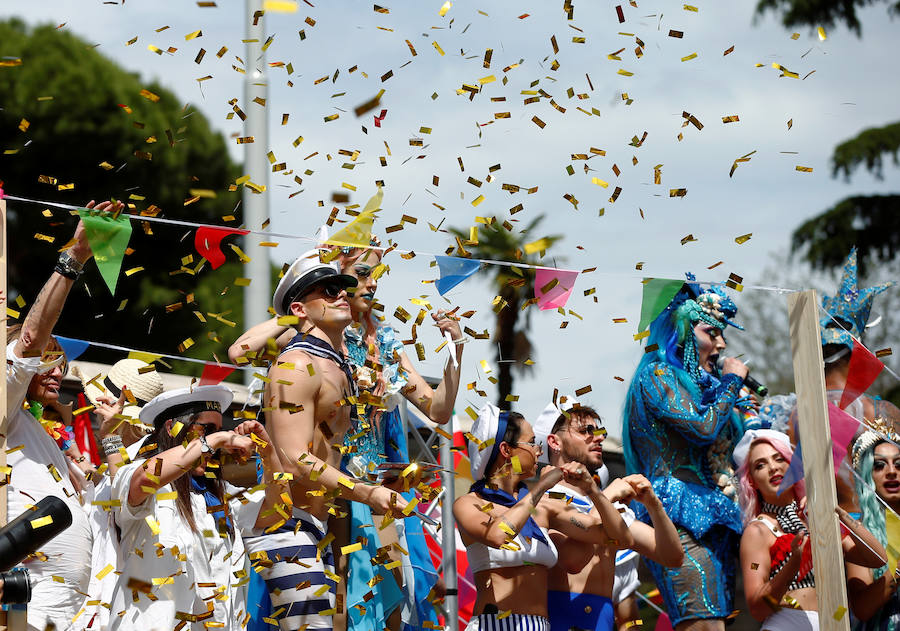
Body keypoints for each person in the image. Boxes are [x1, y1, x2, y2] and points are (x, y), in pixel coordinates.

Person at [231, 238, 462, 631]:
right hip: (329, 490)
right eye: (361, 275)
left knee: (388, 598)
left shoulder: (383, 342)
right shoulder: (305, 344)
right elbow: (241, 351)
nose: (370, 285)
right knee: (339, 602)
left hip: (372, 483)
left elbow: (439, 410)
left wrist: (457, 348)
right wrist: (302, 305)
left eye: (374, 276)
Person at [247, 250, 406, 631]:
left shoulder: (341, 365)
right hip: (288, 528)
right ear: (300, 309)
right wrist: (366, 493)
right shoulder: (297, 363)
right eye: (328, 290)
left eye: (343, 288)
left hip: (318, 527)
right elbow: (294, 457)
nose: (341, 295)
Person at [5, 204, 116, 630]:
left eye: (63, 363)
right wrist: (75, 257)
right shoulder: (6, 405)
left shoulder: (45, 436)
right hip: (30, 600)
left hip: (77, 606)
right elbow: (30, 337)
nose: (58, 370)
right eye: (48, 360)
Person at [622, 280, 753, 631]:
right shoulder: (657, 375)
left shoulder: (702, 386)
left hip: (717, 517)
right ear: (682, 329)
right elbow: (702, 427)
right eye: (712, 331)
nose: (722, 344)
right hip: (675, 517)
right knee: (702, 624)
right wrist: (730, 384)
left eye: (723, 334)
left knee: (718, 623)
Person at [108, 384, 283, 630]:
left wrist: (269, 452)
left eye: (218, 431)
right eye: (205, 430)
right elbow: (145, 479)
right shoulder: (138, 475)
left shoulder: (220, 495)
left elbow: (279, 510)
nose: (215, 444)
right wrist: (218, 438)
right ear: (171, 428)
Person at [453, 403, 632, 631]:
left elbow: (616, 536)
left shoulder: (544, 508)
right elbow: (498, 535)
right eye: (532, 443)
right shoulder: (469, 503)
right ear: (506, 450)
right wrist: (541, 488)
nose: (539, 451)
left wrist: (594, 491)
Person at [534, 403, 682, 631]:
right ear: (554, 442)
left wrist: (654, 505)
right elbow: (572, 560)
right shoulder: (544, 500)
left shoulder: (606, 507)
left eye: (599, 431)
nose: (598, 438)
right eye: (585, 431)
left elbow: (672, 556)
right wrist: (606, 496)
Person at [735, 429, 886, 631]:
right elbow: (758, 610)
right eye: (760, 465)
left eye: (779, 459)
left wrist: (839, 513)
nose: (772, 468)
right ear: (752, 480)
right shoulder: (758, 531)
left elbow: (877, 558)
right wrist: (793, 564)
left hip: (835, 623)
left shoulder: (816, 517)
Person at [73, 357, 164, 631]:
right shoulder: (128, 459)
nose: (96, 412)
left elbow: (122, 504)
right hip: (96, 603)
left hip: (116, 608)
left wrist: (109, 438)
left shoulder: (145, 462)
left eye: (102, 407)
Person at [816, 248, 900, 514]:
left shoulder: (791, 414)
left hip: (822, 535)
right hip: (875, 535)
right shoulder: (882, 412)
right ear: (860, 350)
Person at [847, 423, 900, 629]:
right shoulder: (861, 532)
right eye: (879, 465)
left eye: (899, 464)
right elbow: (862, 608)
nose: (892, 471)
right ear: (867, 475)